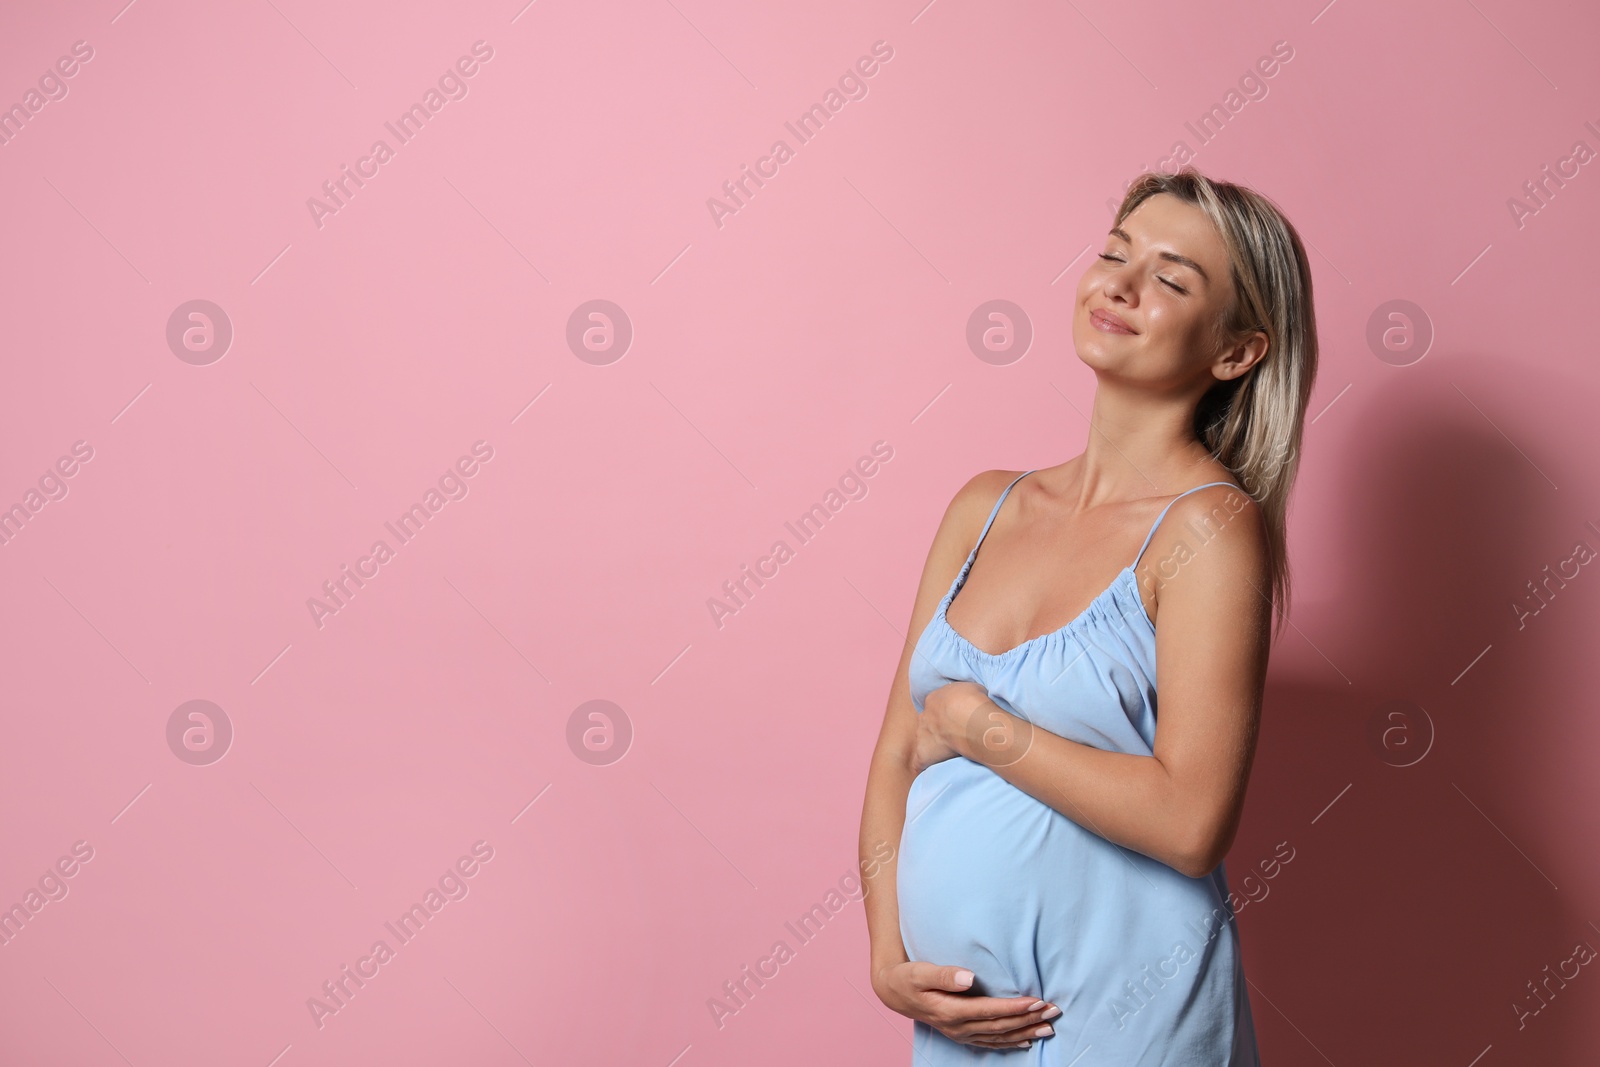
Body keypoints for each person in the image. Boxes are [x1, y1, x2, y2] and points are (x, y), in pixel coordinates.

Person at [858, 167, 1317, 1064]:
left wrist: (983, 727)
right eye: (1116, 252)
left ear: (1236, 352)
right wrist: (887, 956)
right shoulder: (984, 505)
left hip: (1127, 1020)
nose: (1120, 282)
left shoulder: (1208, 529)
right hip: (963, 1029)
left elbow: (1192, 824)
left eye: (1172, 278)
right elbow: (898, 753)